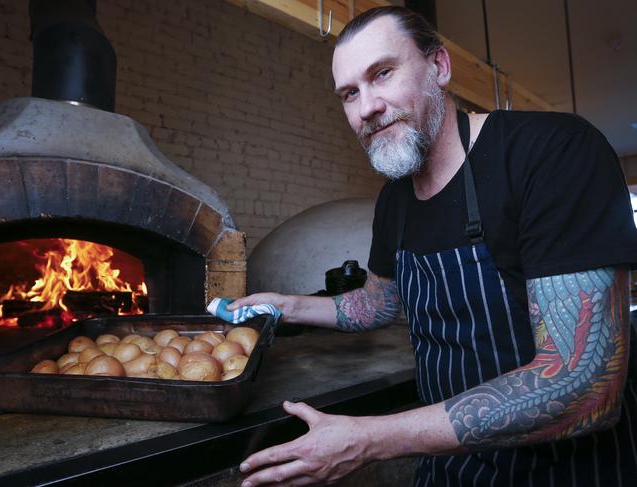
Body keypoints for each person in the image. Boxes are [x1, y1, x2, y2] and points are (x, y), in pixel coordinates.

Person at [232, 6, 637, 486]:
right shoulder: (394, 202)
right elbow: (379, 303)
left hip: (565, 472)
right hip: (451, 465)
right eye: (349, 94)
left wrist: (369, 439)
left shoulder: (551, 153)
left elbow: (584, 386)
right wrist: (284, 307)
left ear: (439, 67)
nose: (367, 107)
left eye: (382, 73)